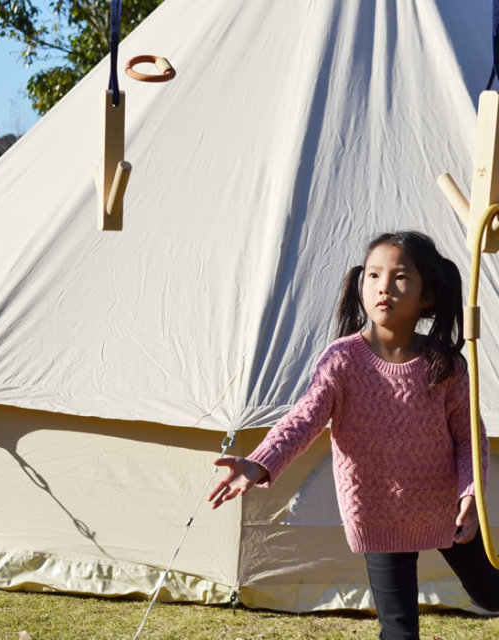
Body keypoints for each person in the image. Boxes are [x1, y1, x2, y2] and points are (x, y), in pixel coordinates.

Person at [208, 231, 499, 639]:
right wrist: (259, 462)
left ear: (427, 296)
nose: (384, 287)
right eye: (374, 275)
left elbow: (470, 438)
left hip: (445, 508)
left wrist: (470, 494)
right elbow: (304, 419)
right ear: (360, 284)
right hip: (378, 512)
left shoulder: (445, 365)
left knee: (492, 595)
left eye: (401, 277)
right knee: (399, 631)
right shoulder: (342, 360)